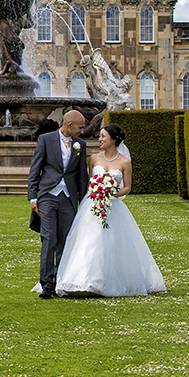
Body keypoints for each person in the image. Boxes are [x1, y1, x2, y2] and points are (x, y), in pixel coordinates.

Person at [54, 124, 166, 297]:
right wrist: (97, 192)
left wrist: (110, 193)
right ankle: (82, 280)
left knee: (112, 241)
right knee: (88, 240)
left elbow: (127, 187)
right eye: (99, 136)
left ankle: (109, 280)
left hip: (112, 206)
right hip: (91, 206)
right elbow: (90, 181)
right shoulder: (94, 158)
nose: (99, 139)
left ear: (114, 140)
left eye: (103, 136)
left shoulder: (124, 162)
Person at [27, 110, 89, 300]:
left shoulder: (80, 145)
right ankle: (46, 284)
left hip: (68, 198)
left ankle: (60, 282)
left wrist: (83, 200)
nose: (82, 131)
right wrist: (33, 197)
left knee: (65, 240)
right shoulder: (46, 140)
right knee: (49, 238)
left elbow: (81, 175)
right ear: (69, 125)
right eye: (80, 127)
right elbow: (35, 169)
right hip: (47, 196)